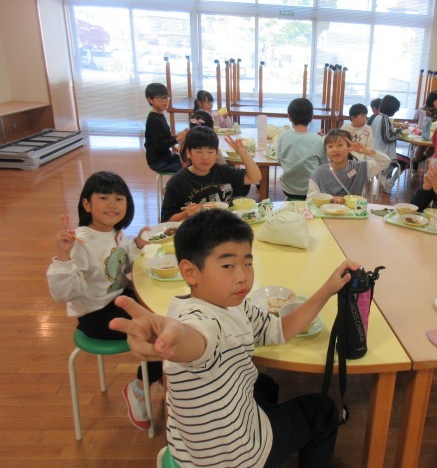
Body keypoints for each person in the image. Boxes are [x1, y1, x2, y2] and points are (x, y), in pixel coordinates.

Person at [108, 209, 360, 468]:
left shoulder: (232, 303)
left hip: (196, 446)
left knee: (266, 385)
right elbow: (195, 338)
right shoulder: (198, 319)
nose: (242, 276)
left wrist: (328, 288)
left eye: (247, 263)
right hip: (234, 458)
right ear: (190, 272)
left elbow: (277, 330)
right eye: (228, 265)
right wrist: (172, 339)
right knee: (324, 411)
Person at [46, 171, 162, 431]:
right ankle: (139, 389)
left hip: (118, 301)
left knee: (166, 314)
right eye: (104, 198)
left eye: (119, 199)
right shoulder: (81, 241)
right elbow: (63, 294)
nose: (112, 204)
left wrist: (137, 244)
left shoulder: (116, 233)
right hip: (95, 316)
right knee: (157, 333)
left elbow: (122, 265)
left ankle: (158, 376)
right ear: (87, 204)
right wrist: (63, 256)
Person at [161, 126, 261, 221]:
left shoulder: (224, 172)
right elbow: (167, 220)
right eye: (199, 152)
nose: (205, 157)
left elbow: (255, 177)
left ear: (217, 153)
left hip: (225, 226)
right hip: (195, 229)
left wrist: (244, 154)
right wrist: (186, 214)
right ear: (188, 153)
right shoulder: (177, 182)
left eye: (210, 152)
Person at [307, 129, 390, 203]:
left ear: (349, 147)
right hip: (325, 214)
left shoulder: (360, 168)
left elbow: (385, 161)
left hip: (353, 214)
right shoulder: (320, 172)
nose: (335, 149)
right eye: (330, 146)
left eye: (340, 145)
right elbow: (310, 198)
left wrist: (367, 151)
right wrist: (329, 199)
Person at [277, 98, 327, 200]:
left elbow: (279, 160)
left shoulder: (282, 137)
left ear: (289, 117)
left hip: (288, 189)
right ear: (311, 117)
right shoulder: (319, 140)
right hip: (311, 190)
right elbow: (324, 165)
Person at [144, 82, 188, 173]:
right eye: (160, 98)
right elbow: (159, 145)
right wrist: (177, 139)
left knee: (191, 160)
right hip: (159, 162)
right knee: (190, 166)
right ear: (150, 99)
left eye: (166, 97)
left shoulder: (159, 115)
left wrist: (177, 136)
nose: (165, 101)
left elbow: (164, 137)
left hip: (165, 157)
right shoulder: (153, 119)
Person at [371, 95, 407, 194]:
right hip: (383, 153)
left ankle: (382, 176)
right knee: (405, 162)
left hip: (375, 150)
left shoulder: (377, 117)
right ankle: (389, 182)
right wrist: (401, 129)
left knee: (397, 161)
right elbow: (388, 138)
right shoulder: (385, 119)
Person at [411, 90, 437, 170]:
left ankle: (422, 158)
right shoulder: (422, 110)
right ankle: (416, 161)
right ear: (431, 100)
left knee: (435, 145)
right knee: (423, 145)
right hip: (421, 133)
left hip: (434, 134)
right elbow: (415, 124)